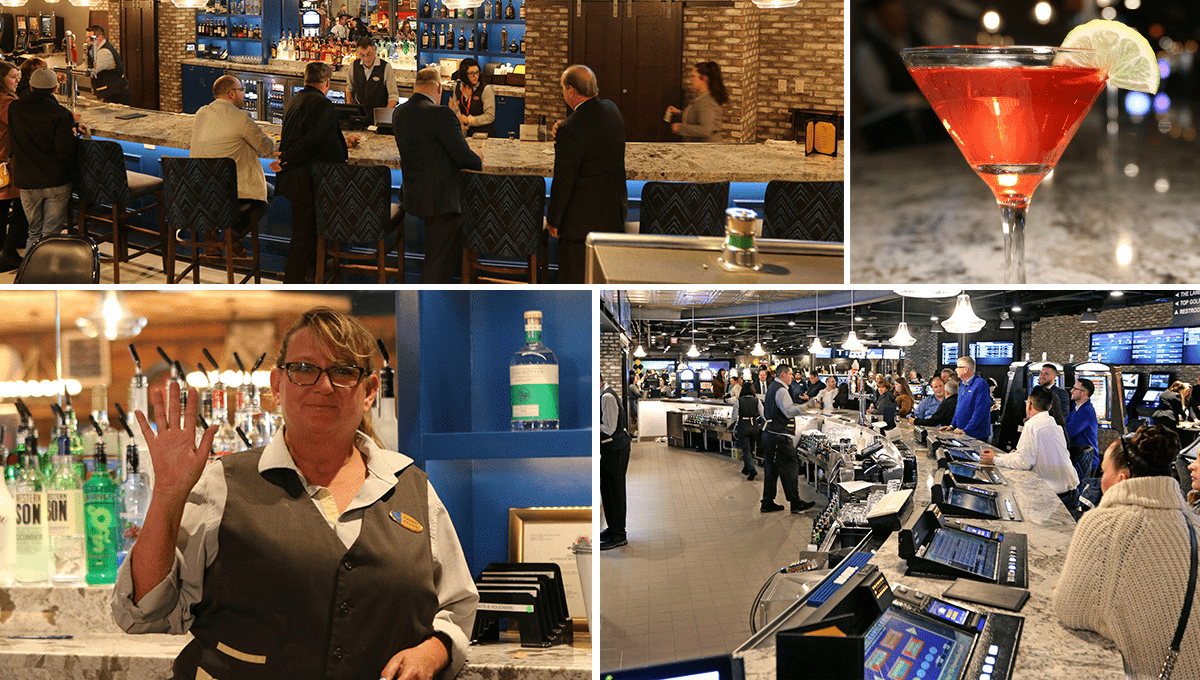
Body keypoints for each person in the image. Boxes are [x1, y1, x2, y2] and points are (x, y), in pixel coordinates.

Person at [114, 307, 478, 680]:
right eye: (304, 369)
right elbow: (146, 610)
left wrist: (433, 651)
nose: (323, 386)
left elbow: (457, 607)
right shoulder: (223, 483)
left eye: (343, 371)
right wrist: (167, 496)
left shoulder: (412, 486)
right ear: (277, 385)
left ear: (369, 391)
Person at [1055, 425, 1200, 679]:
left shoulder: (1104, 525)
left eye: (1103, 472)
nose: (1100, 481)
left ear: (1122, 479)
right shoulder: (1193, 525)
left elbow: (1069, 609)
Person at [393, 66, 483, 283]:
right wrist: (477, 156)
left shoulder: (399, 112)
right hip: (442, 201)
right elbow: (465, 158)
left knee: (434, 260)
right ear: (439, 88)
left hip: (414, 195)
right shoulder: (441, 113)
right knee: (438, 267)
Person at [273, 62, 359, 284]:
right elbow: (312, 141)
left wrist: (342, 143)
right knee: (303, 240)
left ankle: (307, 279)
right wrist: (288, 158)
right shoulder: (322, 104)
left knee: (306, 238)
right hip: (307, 181)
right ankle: (292, 288)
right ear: (327, 83)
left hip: (296, 180)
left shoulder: (296, 99)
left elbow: (317, 138)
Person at [547, 64, 627, 284]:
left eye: (563, 89)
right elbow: (593, 136)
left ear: (571, 91)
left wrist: (554, 220)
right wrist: (564, 127)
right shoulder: (612, 110)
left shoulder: (571, 129)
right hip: (613, 218)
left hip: (580, 228)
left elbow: (564, 180)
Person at [191, 75, 276, 240]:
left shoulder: (201, 113)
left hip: (201, 189)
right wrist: (270, 138)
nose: (243, 95)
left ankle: (212, 235)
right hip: (230, 191)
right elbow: (265, 147)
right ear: (231, 94)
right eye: (241, 91)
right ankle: (233, 238)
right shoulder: (240, 117)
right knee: (270, 192)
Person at [9, 68, 82, 251]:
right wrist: (73, 131)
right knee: (51, 234)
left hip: (27, 181)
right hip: (55, 181)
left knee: (33, 232)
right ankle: (48, 276)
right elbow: (64, 151)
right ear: (55, 88)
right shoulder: (62, 114)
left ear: (31, 86)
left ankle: (30, 275)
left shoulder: (14, 108)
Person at [980, 386, 1078, 508]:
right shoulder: (1054, 424)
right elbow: (1032, 456)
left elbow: (1024, 462)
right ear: (1050, 407)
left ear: (1030, 404)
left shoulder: (1032, 424)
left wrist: (995, 459)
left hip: (1054, 497)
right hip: (1071, 493)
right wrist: (1002, 456)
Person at [760, 365, 816, 514]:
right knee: (791, 467)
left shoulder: (772, 386)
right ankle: (795, 502)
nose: (792, 376)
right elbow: (788, 411)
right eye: (790, 374)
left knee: (771, 469)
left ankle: (767, 502)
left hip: (769, 434)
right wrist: (807, 406)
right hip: (780, 436)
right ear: (783, 374)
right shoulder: (782, 390)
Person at [0, 61, 28, 273]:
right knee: (21, 207)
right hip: (6, 165)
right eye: (12, 76)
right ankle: (7, 253)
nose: (17, 80)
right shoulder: (5, 102)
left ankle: (6, 250)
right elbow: (21, 125)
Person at [600, 376, 631, 550]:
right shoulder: (603, 395)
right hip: (608, 449)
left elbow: (609, 428)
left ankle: (619, 535)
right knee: (607, 489)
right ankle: (612, 529)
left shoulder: (607, 397)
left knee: (616, 490)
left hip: (616, 449)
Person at [664, 61, 728, 143]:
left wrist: (680, 128)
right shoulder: (703, 97)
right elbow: (699, 115)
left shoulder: (706, 102)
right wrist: (679, 112)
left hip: (707, 150)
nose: (691, 79)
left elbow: (706, 130)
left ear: (704, 78)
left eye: (693, 76)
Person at [942, 356, 992, 442]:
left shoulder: (980, 384)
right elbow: (958, 409)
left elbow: (980, 411)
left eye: (958, 367)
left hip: (976, 435)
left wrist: (966, 430)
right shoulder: (962, 385)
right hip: (962, 433)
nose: (956, 370)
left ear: (966, 369)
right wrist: (952, 426)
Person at [347, 38, 399, 112]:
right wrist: (351, 109)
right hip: (360, 113)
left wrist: (384, 116)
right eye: (362, 55)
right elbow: (349, 89)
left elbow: (393, 96)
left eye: (369, 54)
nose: (366, 59)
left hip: (380, 112)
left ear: (375, 49)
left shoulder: (386, 67)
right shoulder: (353, 66)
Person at [448, 58, 495, 138]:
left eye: (477, 72)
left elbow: (490, 116)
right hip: (464, 134)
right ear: (464, 75)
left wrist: (469, 120)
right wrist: (454, 110)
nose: (475, 76)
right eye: (471, 73)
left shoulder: (486, 89)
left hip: (483, 135)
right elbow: (458, 113)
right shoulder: (458, 87)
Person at [85, 25, 131, 105]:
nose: (87, 40)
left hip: (116, 95)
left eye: (90, 37)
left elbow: (93, 70)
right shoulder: (95, 49)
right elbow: (86, 65)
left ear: (99, 38)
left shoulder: (105, 51)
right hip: (109, 93)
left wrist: (74, 73)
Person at [1065, 378, 1100, 475]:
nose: (1071, 391)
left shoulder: (1086, 411)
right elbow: (1062, 423)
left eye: (1075, 389)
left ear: (1084, 393)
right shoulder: (1077, 409)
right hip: (1079, 457)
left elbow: (1068, 431)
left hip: (1086, 461)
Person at [734, 379, 763, 481]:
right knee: (750, 448)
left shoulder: (738, 401)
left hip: (743, 425)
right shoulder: (757, 400)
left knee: (745, 449)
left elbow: (734, 416)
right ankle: (746, 468)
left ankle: (752, 469)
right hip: (754, 425)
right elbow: (762, 414)